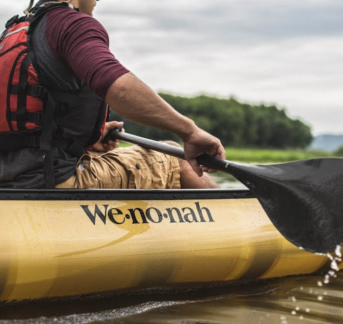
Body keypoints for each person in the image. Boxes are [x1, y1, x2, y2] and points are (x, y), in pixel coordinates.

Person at [0, 0, 225, 189]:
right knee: (175, 157)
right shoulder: (72, 25)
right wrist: (190, 132)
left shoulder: (14, 32)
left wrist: (84, 138)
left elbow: (25, 121)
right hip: (52, 180)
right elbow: (119, 88)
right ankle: (239, 223)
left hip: (8, 177)